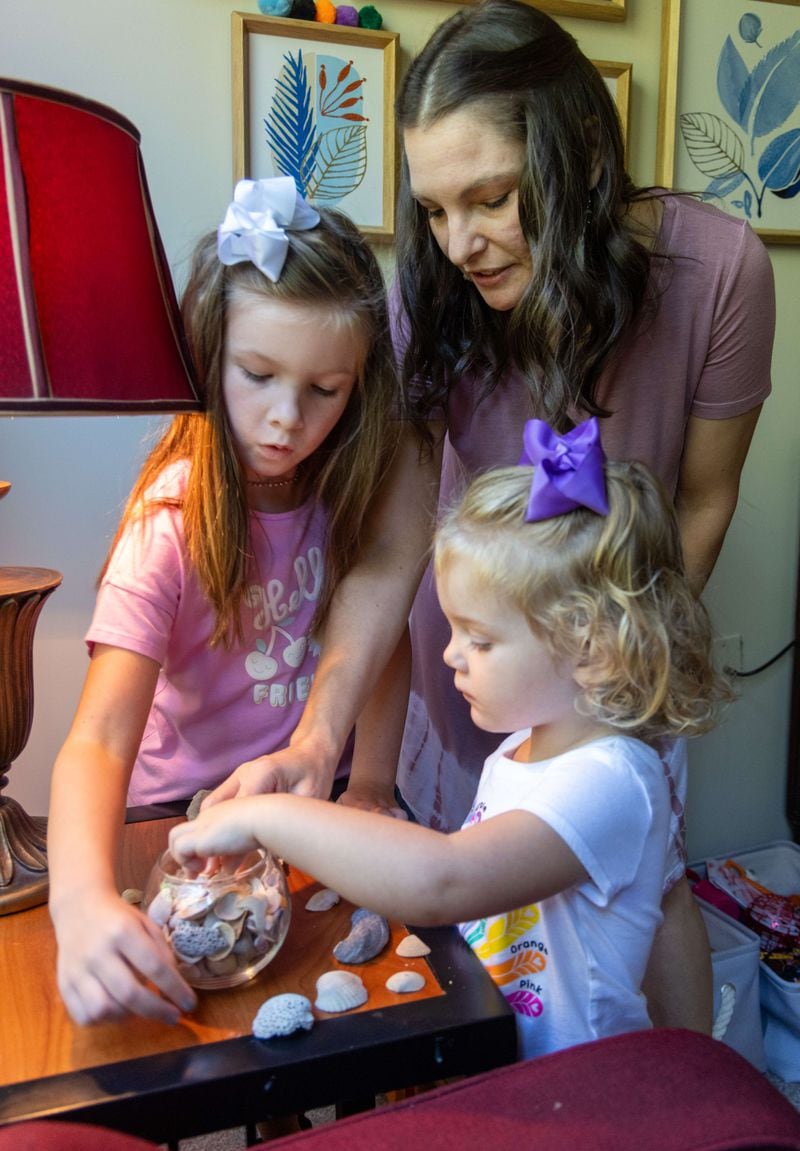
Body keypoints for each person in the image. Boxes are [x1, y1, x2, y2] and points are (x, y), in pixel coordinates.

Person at [200, 0, 776, 1031]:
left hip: (609, 672)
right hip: (464, 669)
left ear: (579, 153)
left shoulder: (723, 270)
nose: (457, 241)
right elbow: (388, 549)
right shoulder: (430, 303)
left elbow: (700, 498)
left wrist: (613, 677)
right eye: (431, 209)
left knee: (648, 893)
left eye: (491, 199)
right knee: (483, 951)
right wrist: (323, 735)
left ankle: (694, 1102)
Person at [169, 420, 732, 1059]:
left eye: (481, 639)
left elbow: (447, 880)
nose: (450, 655)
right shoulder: (525, 748)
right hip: (502, 1053)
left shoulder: (612, 780)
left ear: (593, 649)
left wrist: (267, 818)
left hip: (574, 1086)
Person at [47, 176, 401, 1026]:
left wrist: (374, 785)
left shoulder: (352, 499)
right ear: (211, 356)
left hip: (315, 802)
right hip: (175, 820)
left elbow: (386, 652)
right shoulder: (167, 524)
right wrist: (81, 903)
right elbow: (95, 740)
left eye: (326, 390)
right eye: (258, 375)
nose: (288, 419)